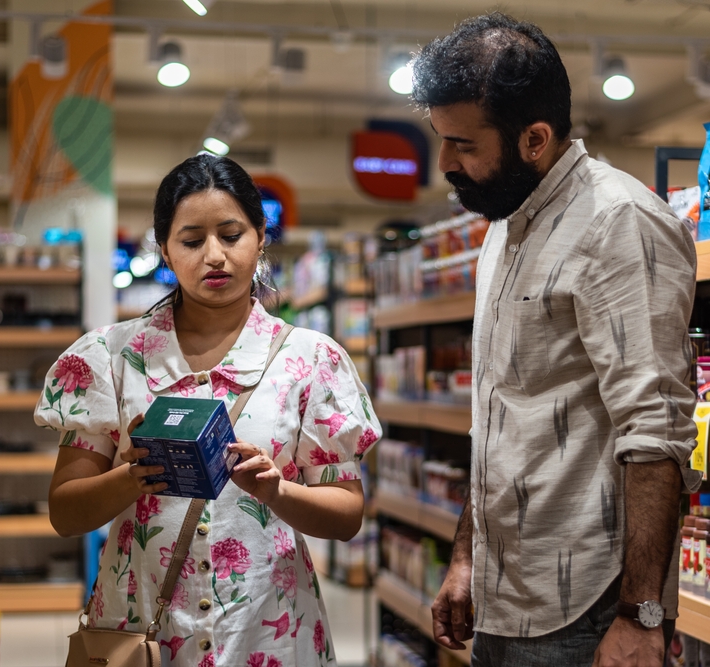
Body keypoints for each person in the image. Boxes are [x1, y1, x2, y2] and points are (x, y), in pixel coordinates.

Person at [411, 13, 700, 667]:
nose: (444, 163)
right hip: (508, 593)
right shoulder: (504, 227)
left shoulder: (618, 225)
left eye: (461, 143)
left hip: (590, 608)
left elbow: (656, 434)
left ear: (535, 138)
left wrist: (640, 617)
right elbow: (499, 415)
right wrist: (467, 555)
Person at [35, 154, 380, 666]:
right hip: (144, 634)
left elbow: (348, 514)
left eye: (232, 234)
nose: (214, 255)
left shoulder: (310, 359)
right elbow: (66, 513)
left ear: (261, 237)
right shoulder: (111, 357)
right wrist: (132, 475)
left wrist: (277, 490)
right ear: (166, 252)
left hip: (267, 631)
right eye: (192, 241)